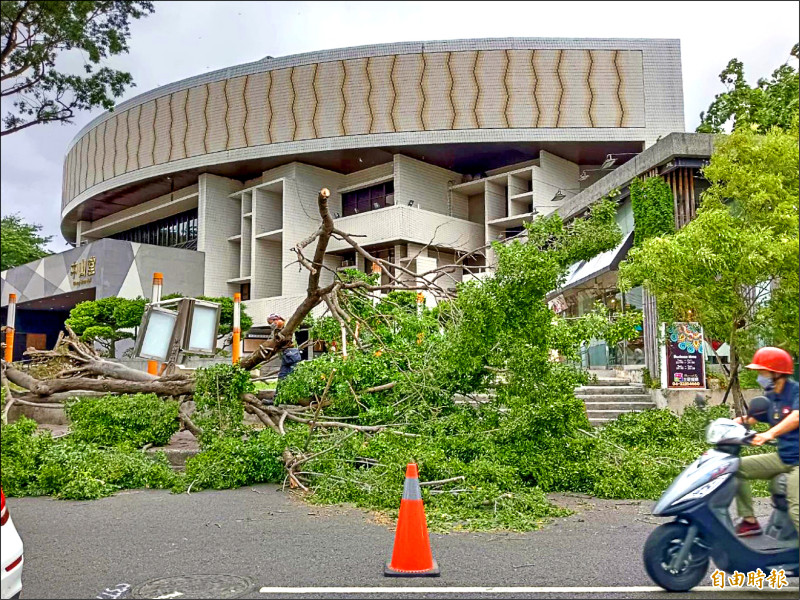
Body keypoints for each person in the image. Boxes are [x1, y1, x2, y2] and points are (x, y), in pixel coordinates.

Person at [732, 346, 799, 537]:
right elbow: (752, 418)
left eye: (762, 371)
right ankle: (750, 521)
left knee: (796, 509)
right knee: (735, 468)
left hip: (798, 462)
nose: (759, 376)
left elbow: (796, 417)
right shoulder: (772, 396)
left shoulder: (795, 392)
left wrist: (769, 434)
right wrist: (729, 426)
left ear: (776, 372)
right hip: (783, 457)